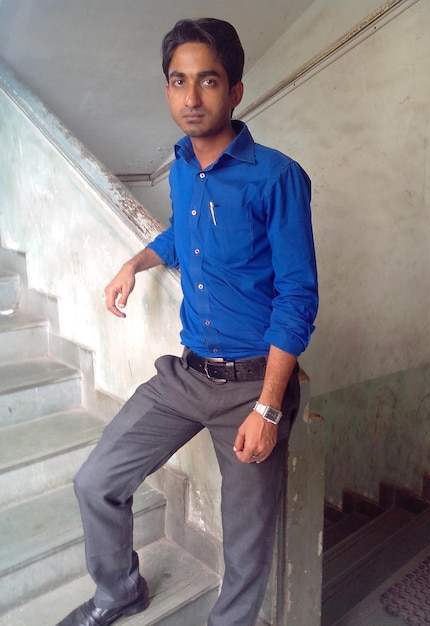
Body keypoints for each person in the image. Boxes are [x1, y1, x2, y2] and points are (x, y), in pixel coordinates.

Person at [57, 17, 318, 626]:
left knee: (245, 548)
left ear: (235, 91)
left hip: (255, 388)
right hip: (185, 375)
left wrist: (271, 408)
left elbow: (298, 296)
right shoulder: (180, 166)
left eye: (208, 81)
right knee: (96, 481)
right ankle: (118, 593)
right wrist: (137, 261)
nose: (191, 97)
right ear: (168, 89)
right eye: (178, 81)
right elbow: (184, 235)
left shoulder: (276, 177)